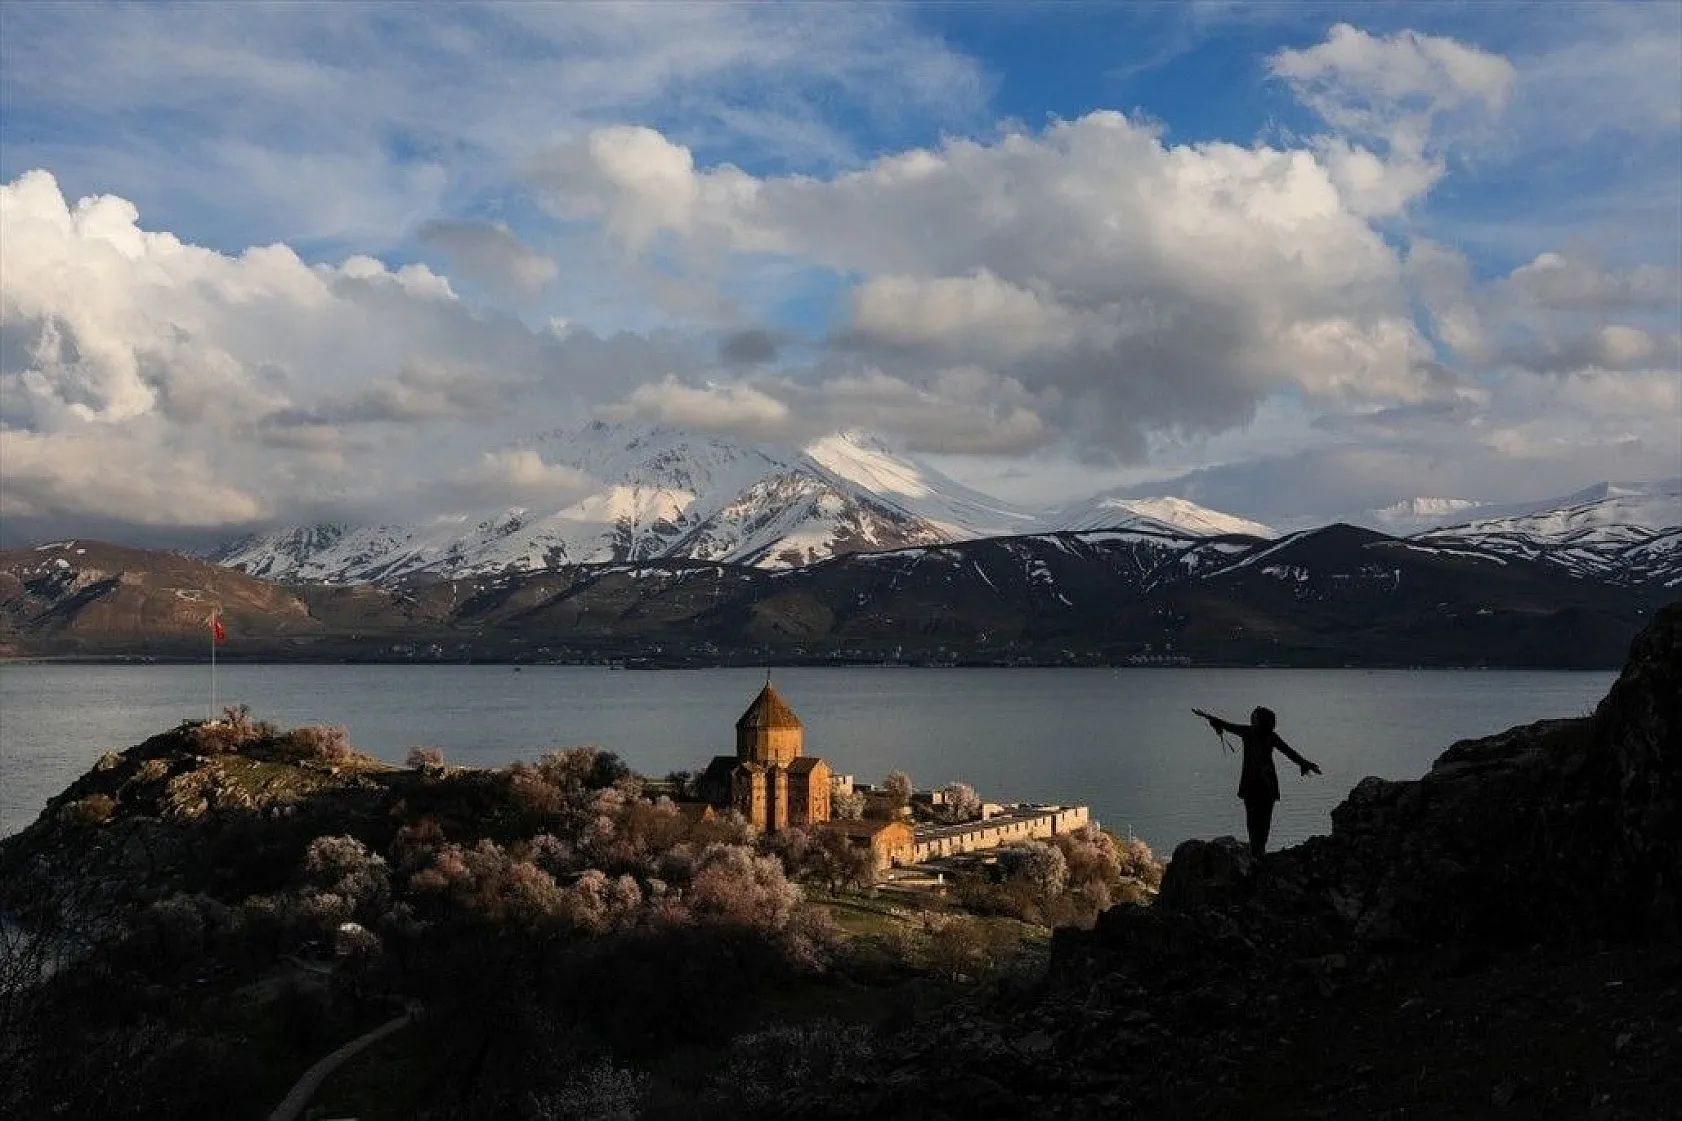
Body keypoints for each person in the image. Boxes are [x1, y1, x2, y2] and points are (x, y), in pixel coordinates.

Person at [1194, 706, 1321, 859]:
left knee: (1259, 821)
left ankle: (1258, 852)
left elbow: (1289, 752)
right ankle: (1258, 852)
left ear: (1262, 721)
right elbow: (1227, 725)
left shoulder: (1259, 734)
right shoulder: (1255, 733)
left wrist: (1306, 764)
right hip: (1260, 784)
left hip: (1261, 785)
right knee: (1256, 821)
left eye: (1255, 718)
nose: (1252, 720)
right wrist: (1208, 717)